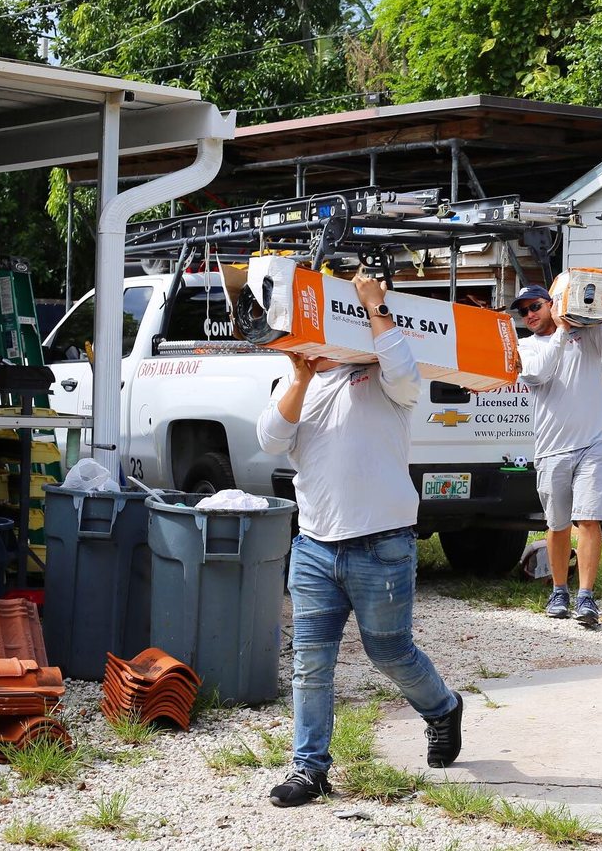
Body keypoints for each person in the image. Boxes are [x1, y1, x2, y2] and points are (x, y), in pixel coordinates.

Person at [257, 268, 462, 808]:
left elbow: (405, 373)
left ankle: (442, 709)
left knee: (389, 651)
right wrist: (300, 374)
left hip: (382, 544)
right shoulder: (294, 386)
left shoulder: (387, 374)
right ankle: (309, 769)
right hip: (315, 548)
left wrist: (375, 306)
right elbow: (271, 438)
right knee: (310, 661)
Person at [513, 281, 602, 628]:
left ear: (553, 303)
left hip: (595, 441)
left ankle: (586, 597)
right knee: (558, 524)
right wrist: (562, 332)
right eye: (523, 311)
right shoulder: (526, 347)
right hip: (551, 448)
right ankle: (560, 590)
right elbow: (539, 373)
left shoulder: (587, 335)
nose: (530, 315)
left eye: (535, 307)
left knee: (589, 518)